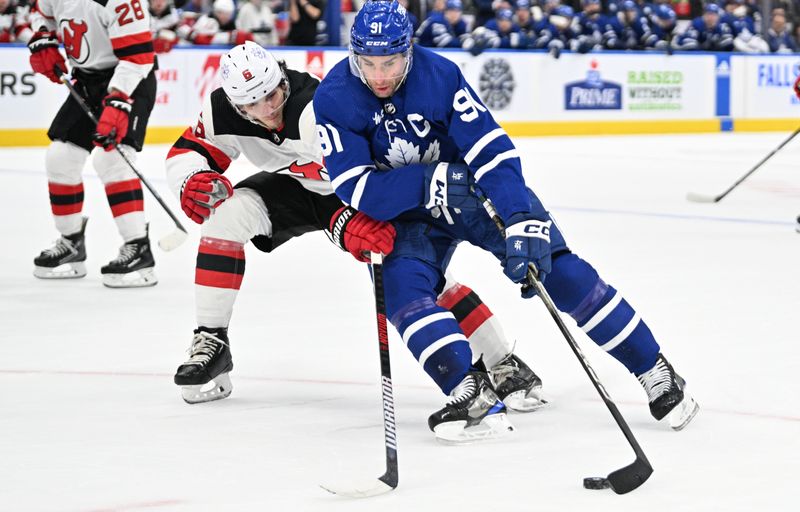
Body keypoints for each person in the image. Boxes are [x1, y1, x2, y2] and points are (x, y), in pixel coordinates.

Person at [314, 0, 699, 443]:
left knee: (557, 268)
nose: (379, 75)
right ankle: (469, 392)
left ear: (409, 50)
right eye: (369, 63)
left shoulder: (439, 76)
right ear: (353, 54)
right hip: (410, 215)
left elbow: (490, 151)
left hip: (474, 195)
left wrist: (520, 217)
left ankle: (654, 368)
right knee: (402, 293)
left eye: (391, 61)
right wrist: (431, 181)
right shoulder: (335, 96)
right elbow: (356, 187)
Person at [165, 41, 545, 410]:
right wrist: (191, 178)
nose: (267, 111)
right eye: (252, 104)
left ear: (282, 77)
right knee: (226, 215)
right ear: (234, 102)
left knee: (415, 275)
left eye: (273, 95)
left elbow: (356, 181)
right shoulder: (221, 111)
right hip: (295, 187)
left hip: (352, 193)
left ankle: (501, 361)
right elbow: (189, 151)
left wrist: (345, 219)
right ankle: (211, 339)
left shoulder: (316, 108)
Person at [28, 0, 158, 288]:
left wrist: (119, 98)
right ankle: (71, 243)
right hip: (87, 81)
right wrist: (42, 37)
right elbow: (40, 14)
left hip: (131, 78)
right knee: (60, 158)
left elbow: (139, 57)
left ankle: (139, 247)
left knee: (112, 159)